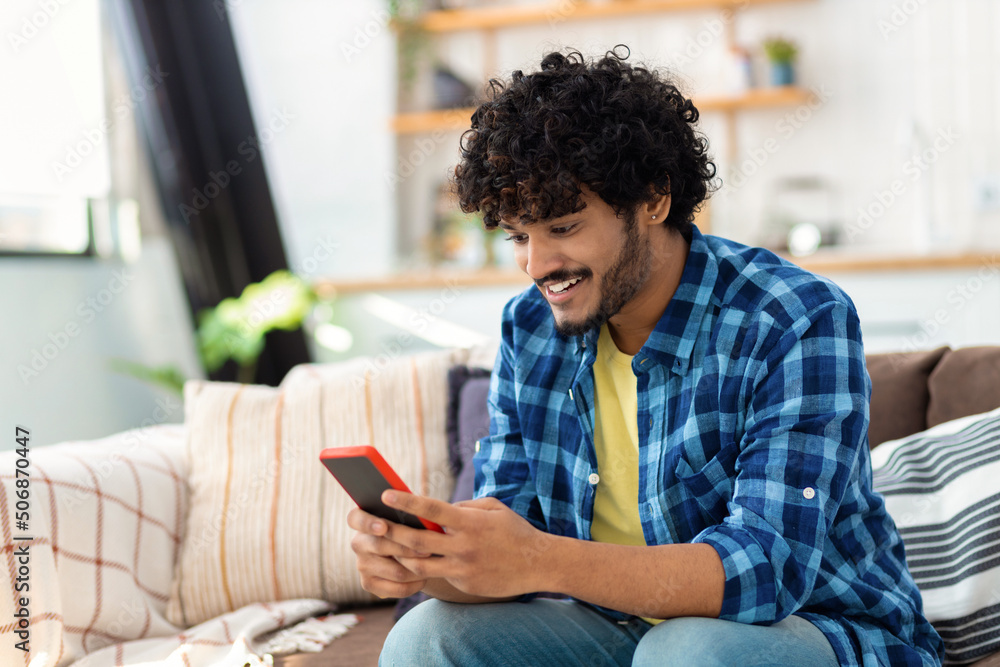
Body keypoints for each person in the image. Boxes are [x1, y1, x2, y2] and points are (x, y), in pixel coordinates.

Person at [349, 46, 945, 666]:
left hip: (808, 631)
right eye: (520, 236)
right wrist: (425, 564)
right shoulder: (529, 329)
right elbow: (508, 540)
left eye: (563, 227)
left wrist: (537, 558)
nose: (536, 266)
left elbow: (766, 569)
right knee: (427, 638)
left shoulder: (793, 318)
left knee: (686, 652)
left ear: (654, 199)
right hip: (623, 633)